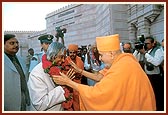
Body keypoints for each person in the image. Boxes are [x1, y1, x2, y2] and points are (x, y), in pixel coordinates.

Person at [53, 34, 156, 111]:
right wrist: (80, 71)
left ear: (111, 54)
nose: (100, 58)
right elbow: (99, 77)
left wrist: (68, 82)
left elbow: (97, 94)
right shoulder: (122, 60)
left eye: (101, 55)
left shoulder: (123, 66)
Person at [27, 42, 66, 111]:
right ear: (52, 55)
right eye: (61, 57)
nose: (63, 60)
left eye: (64, 57)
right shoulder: (37, 73)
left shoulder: (58, 68)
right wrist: (63, 87)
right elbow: (40, 104)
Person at [4, 34, 30, 111]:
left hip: (23, 99)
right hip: (7, 102)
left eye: (17, 43)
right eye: (12, 43)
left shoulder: (21, 59)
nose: (16, 45)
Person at [138, 36, 164, 111]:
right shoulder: (145, 51)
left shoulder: (158, 50)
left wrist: (145, 53)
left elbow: (156, 62)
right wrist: (138, 51)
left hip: (156, 78)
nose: (146, 45)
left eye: (148, 43)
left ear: (153, 43)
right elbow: (138, 60)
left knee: (157, 96)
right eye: (145, 43)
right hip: (147, 76)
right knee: (149, 95)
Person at [61, 44, 84, 111]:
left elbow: (80, 74)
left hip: (77, 85)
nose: (72, 54)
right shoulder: (65, 60)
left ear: (76, 53)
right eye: (71, 52)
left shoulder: (80, 61)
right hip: (68, 86)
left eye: (74, 52)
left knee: (77, 103)